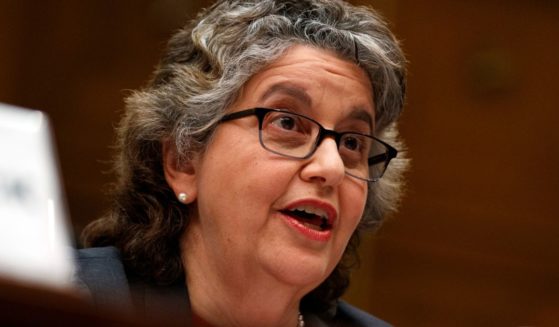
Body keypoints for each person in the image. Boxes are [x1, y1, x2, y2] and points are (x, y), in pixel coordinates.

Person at [75, 0, 408, 326]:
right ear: (184, 159)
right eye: (288, 123)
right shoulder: (67, 301)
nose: (332, 166)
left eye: (352, 142)